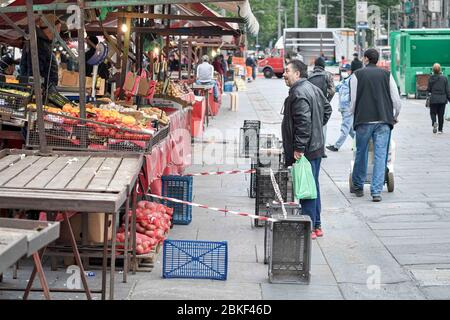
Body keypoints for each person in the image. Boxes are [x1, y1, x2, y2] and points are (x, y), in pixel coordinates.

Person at [281, 59, 332, 239]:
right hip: (315, 146)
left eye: (287, 71)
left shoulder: (299, 92)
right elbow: (327, 109)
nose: (284, 74)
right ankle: (316, 225)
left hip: (307, 149)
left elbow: (303, 122)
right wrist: (318, 127)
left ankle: (309, 227)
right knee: (312, 186)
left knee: (306, 188)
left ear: (297, 73)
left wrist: (299, 147)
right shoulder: (313, 88)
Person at [350, 48, 401, 202]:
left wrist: (354, 114)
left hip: (363, 119)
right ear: (377, 60)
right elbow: (396, 101)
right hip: (383, 120)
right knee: (381, 155)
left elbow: (353, 101)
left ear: (365, 59)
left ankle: (358, 185)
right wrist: (395, 116)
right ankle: (376, 191)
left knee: (361, 152)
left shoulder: (356, 75)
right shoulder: (387, 75)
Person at [326, 62, 363, 152]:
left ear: (350, 71)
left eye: (345, 70)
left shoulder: (352, 81)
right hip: (343, 108)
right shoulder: (343, 82)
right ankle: (360, 143)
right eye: (342, 70)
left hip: (348, 108)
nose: (343, 72)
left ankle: (336, 146)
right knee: (350, 130)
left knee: (345, 128)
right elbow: (335, 89)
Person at [20, 14, 60, 89]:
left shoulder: (42, 42)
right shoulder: (39, 43)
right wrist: (37, 91)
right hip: (40, 92)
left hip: (44, 90)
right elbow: (34, 70)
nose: (59, 32)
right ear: (51, 28)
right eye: (58, 28)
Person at [308, 57, 336, 158]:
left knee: (310, 125)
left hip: (310, 103)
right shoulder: (327, 75)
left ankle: (310, 148)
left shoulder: (309, 74)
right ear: (323, 65)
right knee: (323, 126)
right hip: (322, 105)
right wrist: (327, 101)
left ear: (315, 65)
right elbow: (332, 91)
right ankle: (321, 151)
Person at [427, 63, 450, 134]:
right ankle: (440, 130)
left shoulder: (430, 78)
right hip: (442, 99)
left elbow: (429, 89)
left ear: (433, 70)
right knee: (441, 114)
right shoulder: (444, 78)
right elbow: (447, 90)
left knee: (433, 113)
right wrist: (449, 98)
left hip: (433, 99)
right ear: (440, 70)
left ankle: (434, 122)